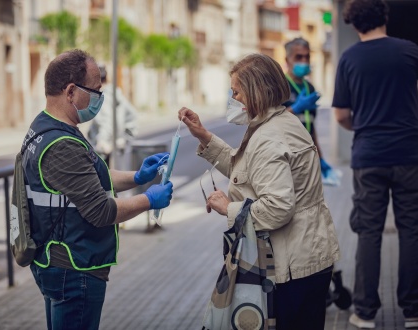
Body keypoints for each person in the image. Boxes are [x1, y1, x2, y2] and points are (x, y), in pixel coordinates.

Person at [179, 53, 340, 330]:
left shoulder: (268, 137)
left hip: (291, 267)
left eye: (237, 92)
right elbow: (250, 174)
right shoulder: (280, 122)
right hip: (308, 256)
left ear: (256, 93)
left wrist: (227, 208)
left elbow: (278, 208)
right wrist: (203, 136)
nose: (233, 99)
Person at [21, 49, 173, 330]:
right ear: (70, 91)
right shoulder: (62, 145)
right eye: (95, 91)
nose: (99, 98)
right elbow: (101, 211)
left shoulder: (47, 127)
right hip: (73, 267)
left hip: (59, 261)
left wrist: (138, 176)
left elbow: (88, 179)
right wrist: (149, 200)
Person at [332, 0, 418, 328]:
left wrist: (365, 128)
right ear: (385, 16)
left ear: (354, 24)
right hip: (410, 154)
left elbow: (340, 114)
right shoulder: (409, 51)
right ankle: (412, 310)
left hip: (368, 156)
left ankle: (365, 311)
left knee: (369, 231)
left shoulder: (349, 58)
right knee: (411, 229)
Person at [283, 37, 336, 183]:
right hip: (285, 156)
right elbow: (269, 122)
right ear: (287, 60)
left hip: (306, 157)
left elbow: (311, 128)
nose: (304, 61)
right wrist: (295, 108)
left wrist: (321, 157)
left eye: (307, 57)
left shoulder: (309, 88)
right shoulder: (279, 86)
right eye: (299, 57)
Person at [87, 65, 138, 165]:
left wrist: (103, 141)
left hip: (105, 151)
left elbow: (107, 121)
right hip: (117, 148)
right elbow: (132, 114)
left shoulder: (102, 97)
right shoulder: (116, 94)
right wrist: (124, 138)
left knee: (107, 177)